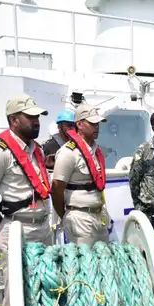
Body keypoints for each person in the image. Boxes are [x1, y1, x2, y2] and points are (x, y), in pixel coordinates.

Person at [0, 94, 53, 306]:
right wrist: (1, 223)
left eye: (37, 117)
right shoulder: (0, 153)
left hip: (42, 227)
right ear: (14, 120)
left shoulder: (34, 149)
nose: (36, 121)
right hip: (18, 228)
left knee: (45, 282)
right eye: (30, 117)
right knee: (16, 289)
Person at [51, 104, 109, 245]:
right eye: (92, 123)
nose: (97, 127)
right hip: (80, 218)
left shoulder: (96, 150)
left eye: (98, 123)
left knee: (104, 260)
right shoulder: (68, 152)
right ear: (80, 124)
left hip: (99, 215)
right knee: (85, 263)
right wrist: (65, 216)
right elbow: (56, 188)